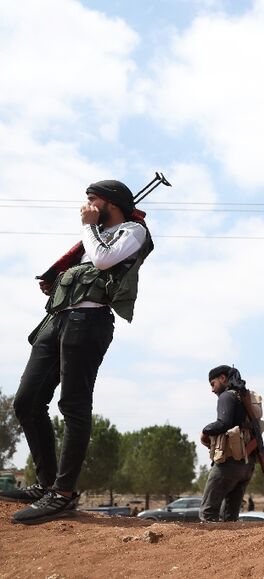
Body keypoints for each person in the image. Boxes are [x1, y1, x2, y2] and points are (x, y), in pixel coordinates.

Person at [0, 180, 152, 524]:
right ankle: (45, 485)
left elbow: (101, 261)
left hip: (89, 321)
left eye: (92, 200)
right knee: (26, 401)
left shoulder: (134, 231)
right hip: (56, 321)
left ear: (109, 203)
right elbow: (85, 265)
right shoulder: (94, 234)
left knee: (73, 404)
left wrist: (87, 227)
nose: (86, 206)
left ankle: (63, 493)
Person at [199, 365, 257, 522]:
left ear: (223, 379)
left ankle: (210, 546)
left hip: (229, 464)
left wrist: (204, 431)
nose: (212, 390)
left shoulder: (227, 396)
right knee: (230, 517)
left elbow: (223, 423)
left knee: (208, 513)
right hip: (247, 465)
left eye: (213, 384)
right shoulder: (244, 398)